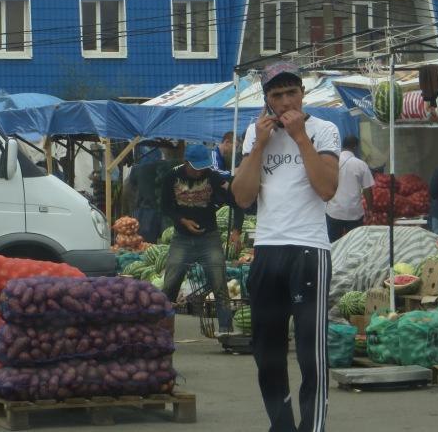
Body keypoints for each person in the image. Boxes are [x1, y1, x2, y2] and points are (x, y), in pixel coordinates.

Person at [231, 60, 340, 432]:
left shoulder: (324, 130)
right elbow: (243, 197)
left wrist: (300, 138)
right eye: (277, 95)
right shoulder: (254, 133)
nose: (285, 101)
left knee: (311, 352)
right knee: (267, 352)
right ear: (268, 101)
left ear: (303, 93)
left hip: (309, 250)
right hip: (267, 249)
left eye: (291, 92)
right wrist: (259, 145)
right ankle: (282, 426)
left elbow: (326, 189)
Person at [161, 143, 244, 336]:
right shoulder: (171, 177)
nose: (200, 172)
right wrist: (183, 221)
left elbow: (237, 201)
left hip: (210, 238)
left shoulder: (213, 177)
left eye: (203, 167)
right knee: (170, 283)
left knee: (219, 282)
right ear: (186, 163)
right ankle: (162, 328)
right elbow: (165, 207)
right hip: (181, 238)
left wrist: (236, 230)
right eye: (196, 168)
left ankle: (225, 329)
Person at [325, 135, 374, 240]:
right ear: (355, 147)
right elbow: (367, 190)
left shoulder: (332, 161)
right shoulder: (361, 165)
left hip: (334, 212)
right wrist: (370, 210)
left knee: (333, 245)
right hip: (354, 214)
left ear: (343, 145)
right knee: (354, 245)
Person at [127, 148, 174, 244]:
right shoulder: (168, 166)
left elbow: (130, 189)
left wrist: (132, 207)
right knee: (168, 243)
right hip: (165, 211)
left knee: (145, 246)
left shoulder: (137, 168)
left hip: (145, 211)